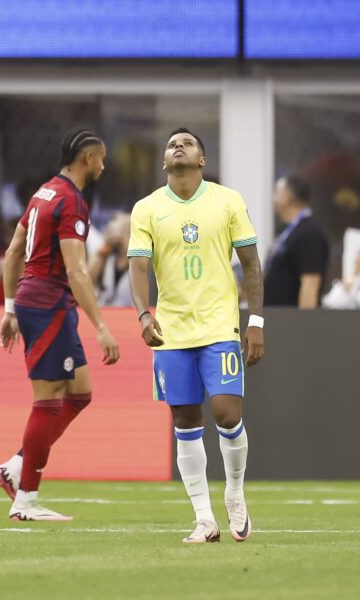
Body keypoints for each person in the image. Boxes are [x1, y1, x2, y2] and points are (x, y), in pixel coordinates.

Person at [127, 128, 264, 544]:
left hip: (219, 325)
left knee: (227, 414)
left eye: (186, 142)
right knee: (185, 422)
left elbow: (251, 264)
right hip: (172, 331)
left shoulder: (228, 200)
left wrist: (256, 322)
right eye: (172, 144)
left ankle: (235, 493)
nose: (178, 146)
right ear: (164, 161)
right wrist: (143, 314)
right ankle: (204, 519)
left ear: (202, 159)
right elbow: (138, 267)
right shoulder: (147, 208)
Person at [0, 129, 120, 522]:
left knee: (79, 393)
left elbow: (14, 251)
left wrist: (10, 308)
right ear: (87, 159)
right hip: (49, 303)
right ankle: (26, 499)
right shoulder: (71, 201)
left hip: (37, 301)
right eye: (102, 158)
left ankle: (17, 466)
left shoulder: (44, 193)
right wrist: (101, 326)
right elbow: (77, 270)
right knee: (47, 400)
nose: (104, 166)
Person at [264, 176, 329, 308]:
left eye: (277, 192)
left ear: (287, 197)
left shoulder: (309, 233)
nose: (273, 198)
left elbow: (310, 284)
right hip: (275, 315)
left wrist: (303, 320)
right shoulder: (290, 231)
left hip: (290, 318)